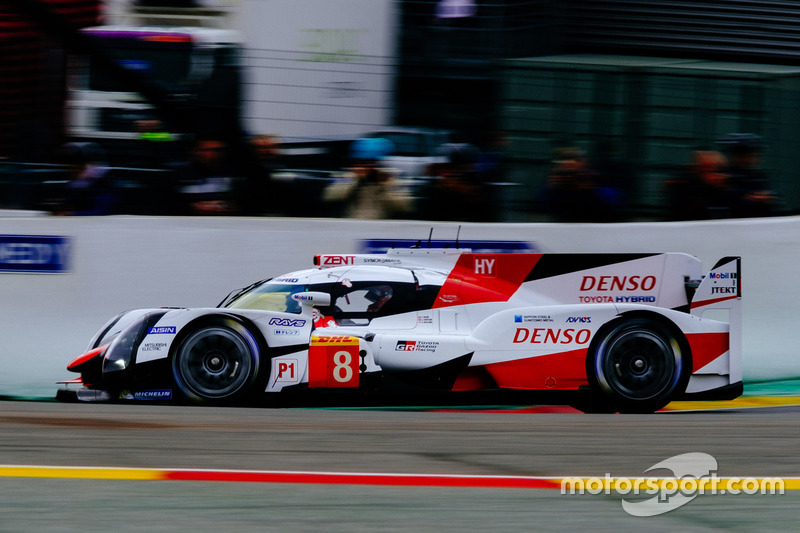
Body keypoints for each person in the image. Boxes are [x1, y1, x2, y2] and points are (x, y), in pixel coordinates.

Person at [322, 137, 412, 219]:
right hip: (351, 224)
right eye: (359, 161)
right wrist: (354, 179)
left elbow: (404, 205)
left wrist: (385, 186)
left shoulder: (394, 176)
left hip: (381, 226)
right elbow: (330, 195)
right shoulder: (345, 175)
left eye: (369, 162)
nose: (364, 166)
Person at [719, 133, 787, 218]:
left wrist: (769, 199)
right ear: (734, 156)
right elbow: (727, 203)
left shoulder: (759, 176)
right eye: (744, 156)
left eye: (754, 156)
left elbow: (776, 203)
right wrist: (752, 199)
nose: (750, 160)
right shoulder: (724, 176)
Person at [172, 137, 241, 215]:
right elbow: (169, 202)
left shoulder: (235, 172)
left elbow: (242, 202)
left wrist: (226, 206)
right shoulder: (178, 173)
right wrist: (192, 207)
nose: (213, 154)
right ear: (195, 151)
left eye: (218, 150)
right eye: (206, 150)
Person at [49, 142, 117, 215]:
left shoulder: (104, 181)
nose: (69, 171)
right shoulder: (75, 181)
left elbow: (102, 212)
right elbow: (68, 203)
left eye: (71, 168)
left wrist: (71, 214)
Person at [240, 133, 285, 216]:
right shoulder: (246, 172)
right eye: (262, 147)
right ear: (253, 149)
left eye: (271, 147)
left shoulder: (286, 168)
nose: (267, 151)